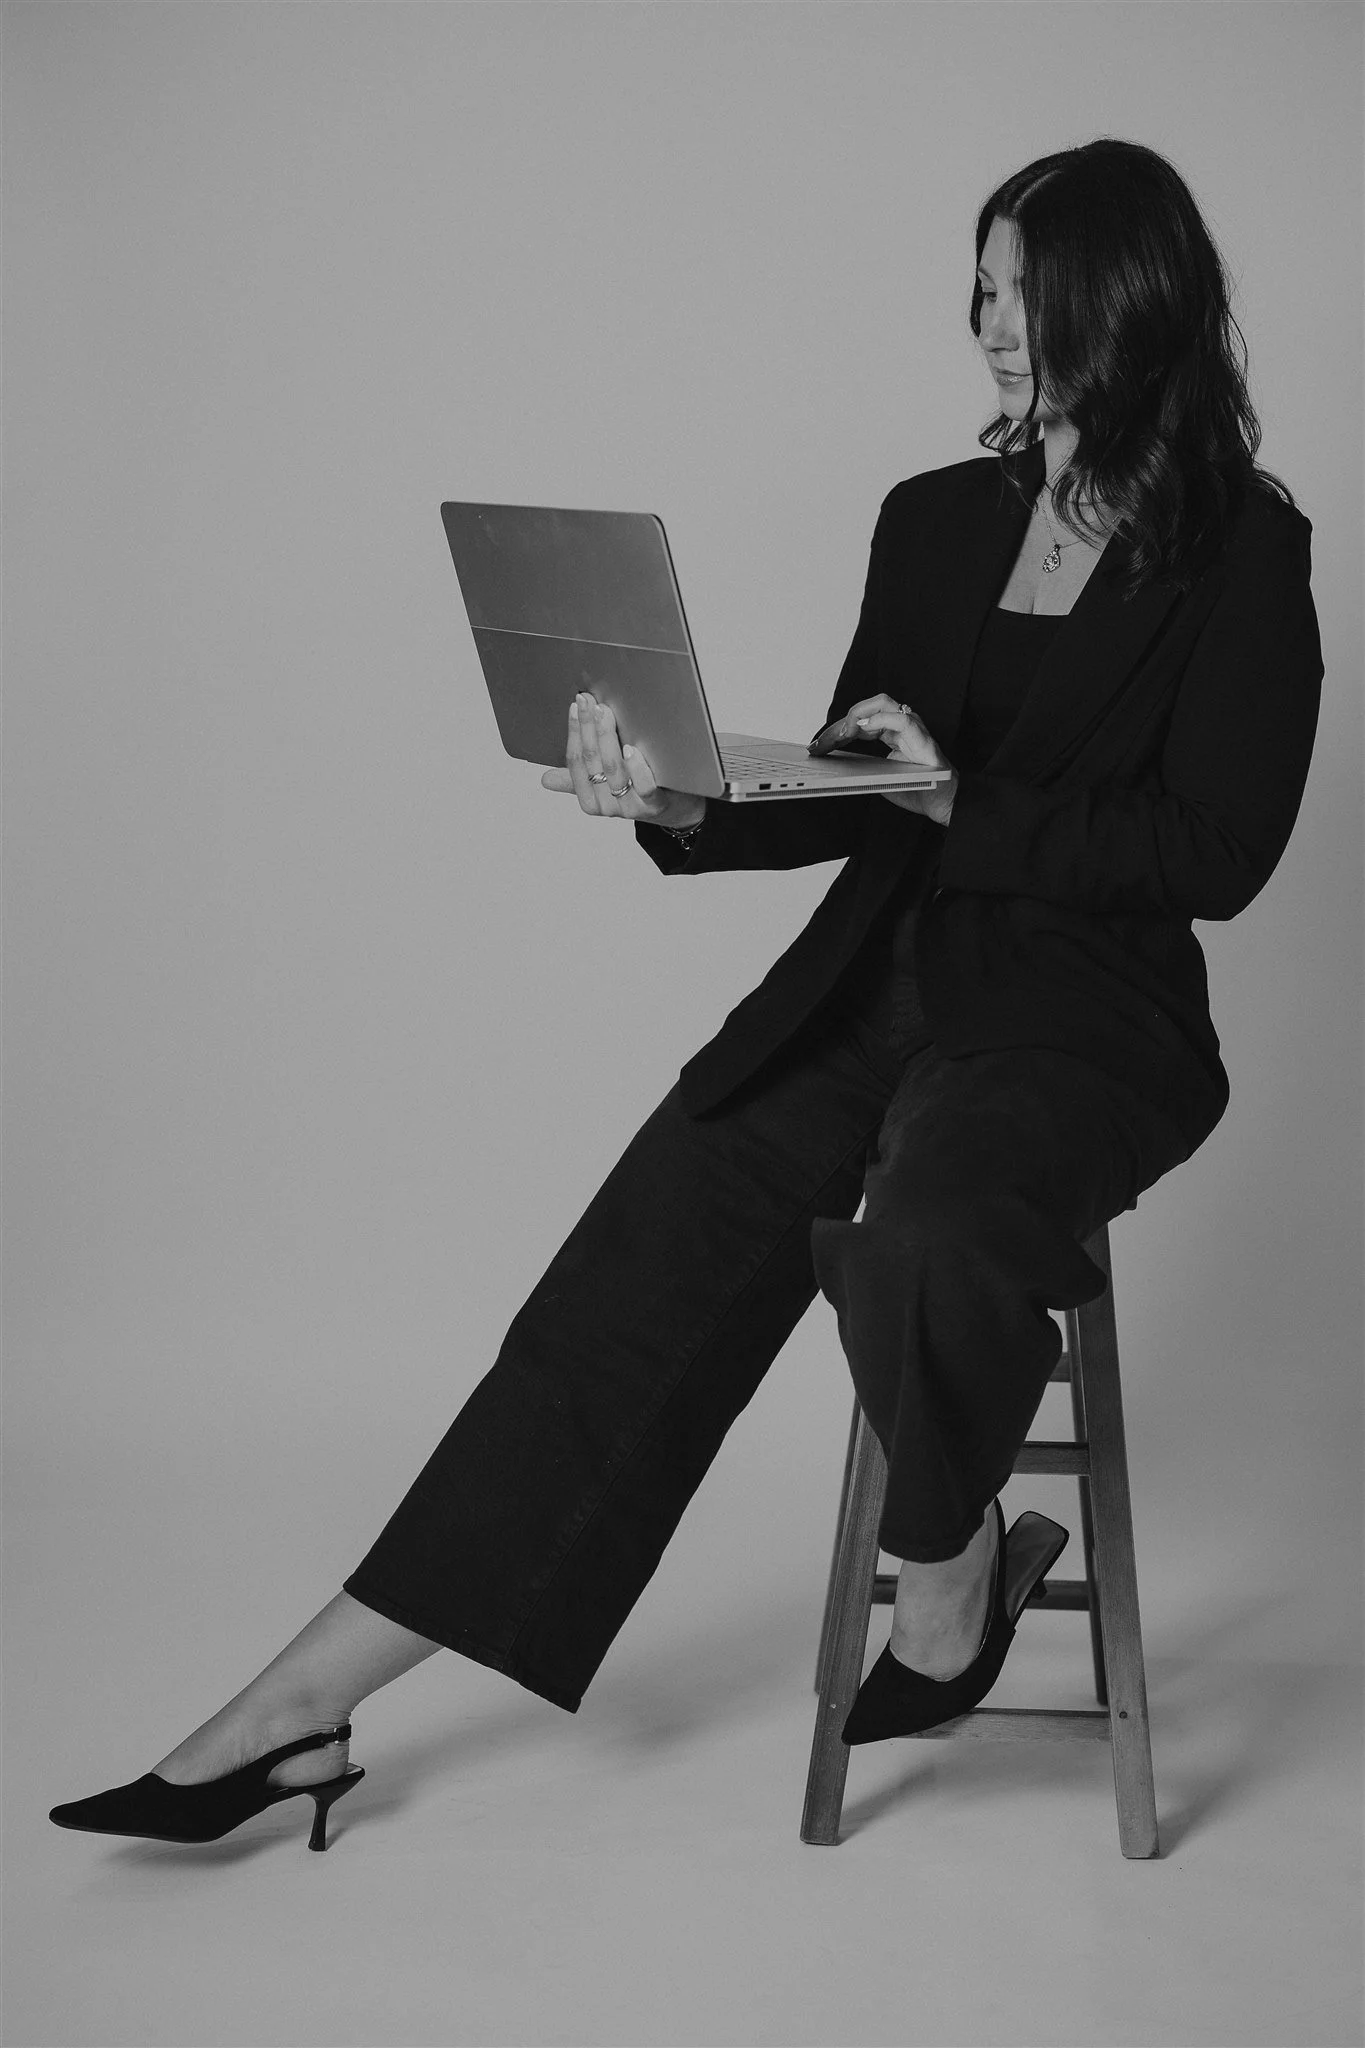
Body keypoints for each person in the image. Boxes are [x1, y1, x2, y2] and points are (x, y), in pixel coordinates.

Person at [51, 138, 1323, 1849]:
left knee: (930, 1237)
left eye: (1024, 292)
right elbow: (867, 783)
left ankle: (949, 1585)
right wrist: (674, 798)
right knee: (613, 1308)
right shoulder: (933, 520)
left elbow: (1215, 849)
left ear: (1129, 297)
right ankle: (293, 1713)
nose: (988, 323)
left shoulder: (1242, 548)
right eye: (980, 287)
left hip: (1081, 1020)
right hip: (867, 985)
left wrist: (962, 801)